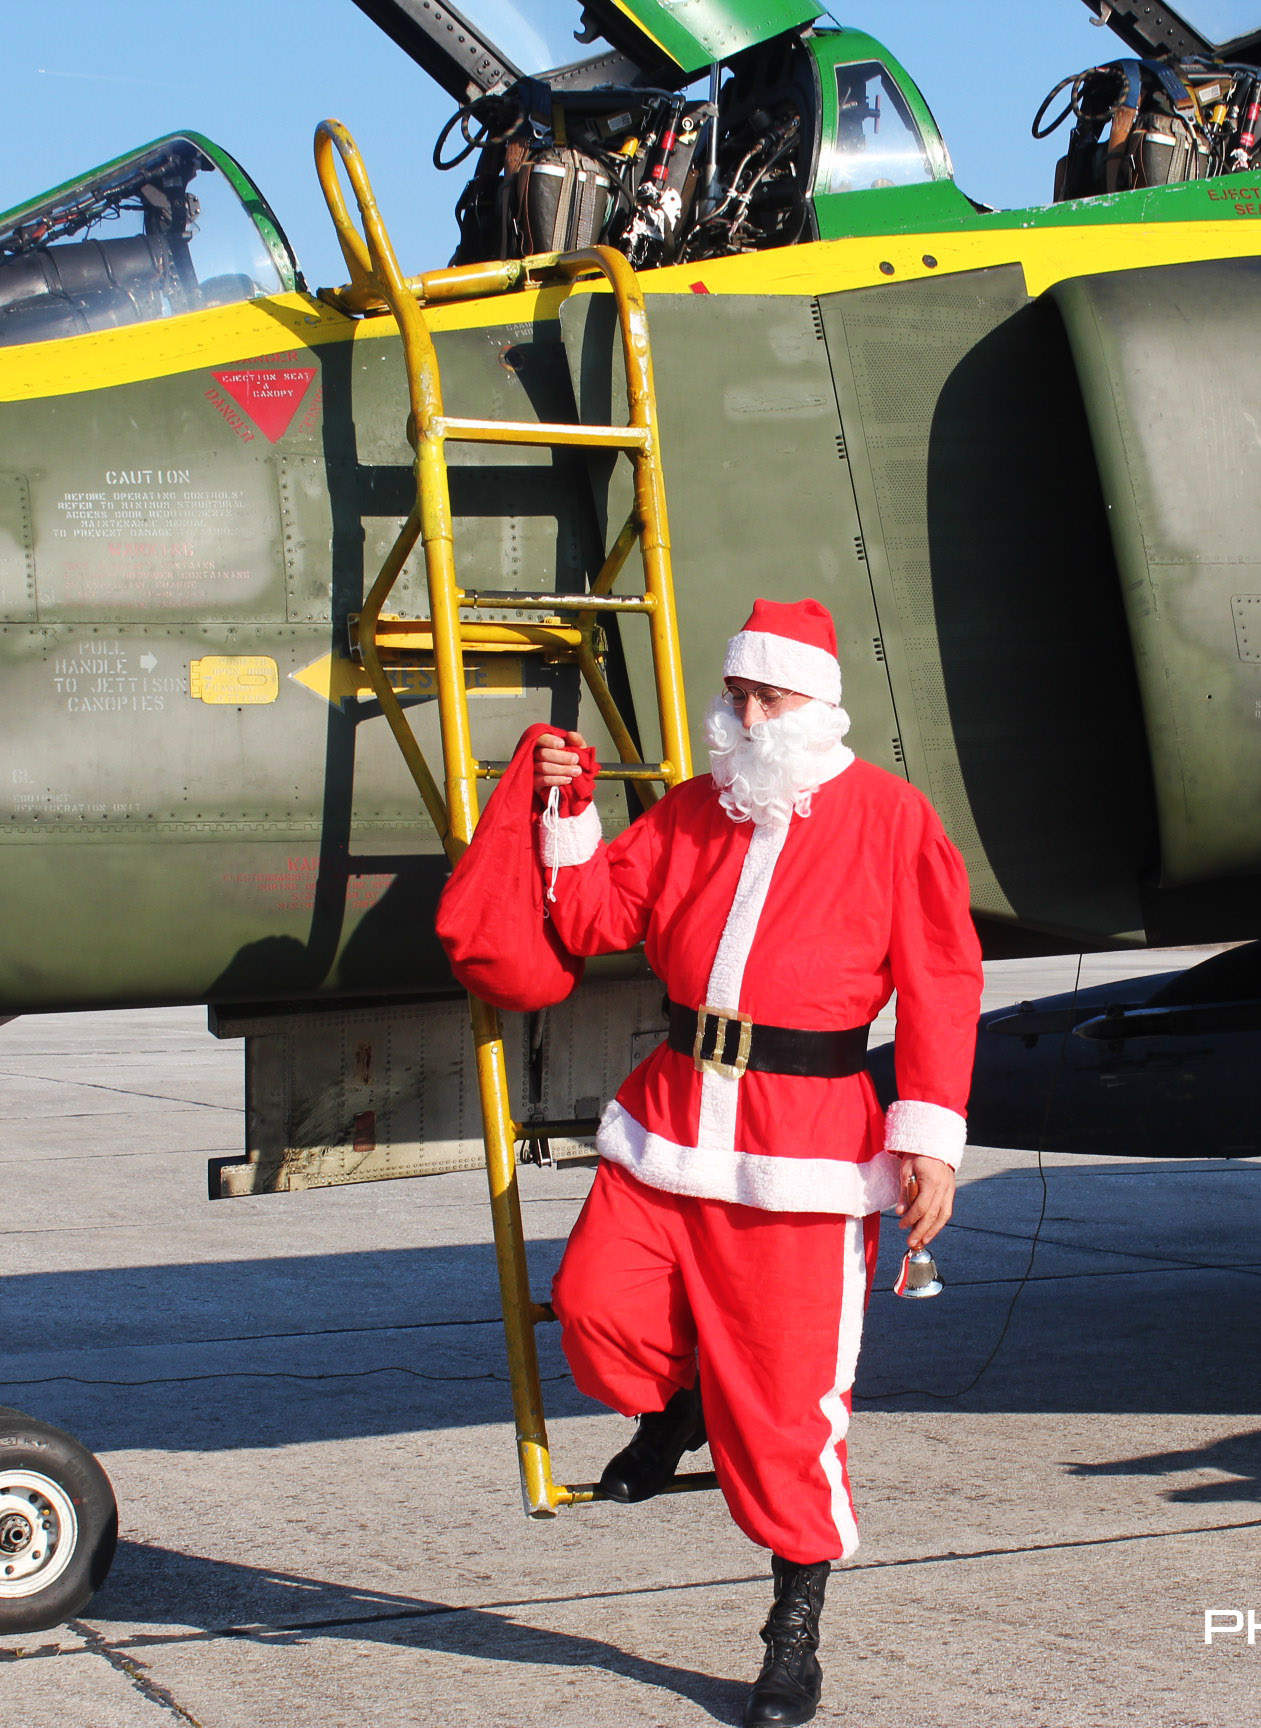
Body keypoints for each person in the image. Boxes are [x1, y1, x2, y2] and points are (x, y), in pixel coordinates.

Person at [523, 597, 983, 1727]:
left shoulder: (891, 818)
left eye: (765, 697)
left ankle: (793, 1632)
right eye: (735, 696)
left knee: (786, 1408)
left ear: (817, 707)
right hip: (671, 1120)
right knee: (593, 1306)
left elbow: (941, 978)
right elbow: (589, 917)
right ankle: (672, 1404)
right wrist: (562, 804)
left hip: (804, 1147)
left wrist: (927, 1138)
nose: (744, 715)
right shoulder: (693, 811)